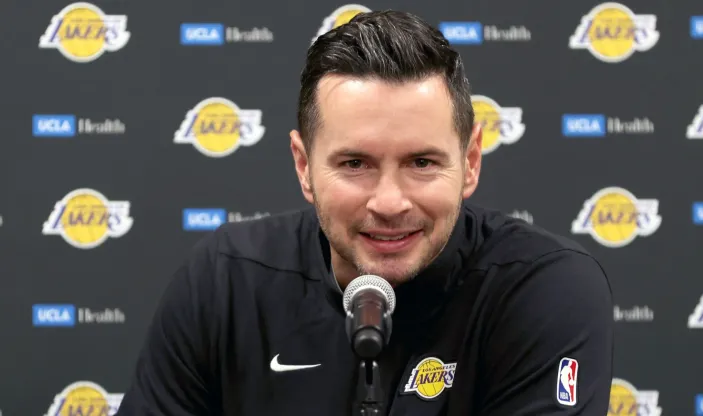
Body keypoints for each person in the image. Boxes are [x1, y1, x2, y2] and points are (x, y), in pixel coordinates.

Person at [116, 9, 613, 416]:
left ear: (470, 162)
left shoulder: (545, 288)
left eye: (422, 162)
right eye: (355, 164)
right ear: (304, 165)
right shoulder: (225, 280)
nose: (390, 202)